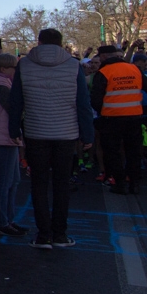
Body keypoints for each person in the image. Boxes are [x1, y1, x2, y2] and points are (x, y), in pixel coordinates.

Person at [8, 28, 94, 250]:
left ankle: (43, 235)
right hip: (66, 132)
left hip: (36, 131)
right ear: (61, 43)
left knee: (38, 184)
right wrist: (87, 134)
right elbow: (83, 103)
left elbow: (16, 101)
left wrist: (14, 129)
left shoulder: (25, 65)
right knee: (61, 184)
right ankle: (60, 234)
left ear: (39, 42)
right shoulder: (73, 65)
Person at [90, 45, 147, 196]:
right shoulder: (134, 69)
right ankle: (135, 184)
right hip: (134, 117)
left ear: (103, 57)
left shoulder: (103, 72)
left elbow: (95, 99)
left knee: (113, 152)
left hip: (111, 118)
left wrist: (102, 112)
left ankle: (120, 183)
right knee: (133, 152)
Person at [0, 53, 28, 234]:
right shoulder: (0, 85)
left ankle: (8, 219)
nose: (17, 70)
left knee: (13, 181)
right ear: (3, 68)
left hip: (7, 137)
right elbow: (13, 109)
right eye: (14, 67)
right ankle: (2, 221)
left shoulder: (3, 83)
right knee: (5, 182)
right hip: (4, 137)